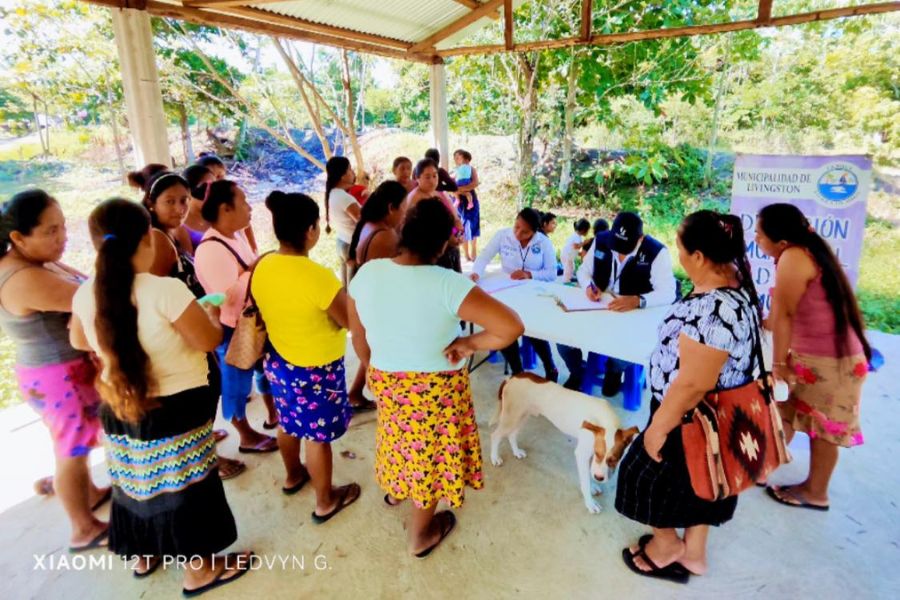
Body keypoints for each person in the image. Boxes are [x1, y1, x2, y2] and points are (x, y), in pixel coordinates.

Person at [70, 198, 252, 592]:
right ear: (146, 241)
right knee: (188, 487)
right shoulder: (166, 290)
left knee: (137, 482)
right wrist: (207, 316)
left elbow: (79, 339)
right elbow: (207, 340)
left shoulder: (86, 294)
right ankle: (199, 570)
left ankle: (144, 553)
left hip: (121, 404)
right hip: (175, 408)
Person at [348, 198, 523, 557]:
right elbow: (510, 327)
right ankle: (420, 536)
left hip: (386, 379)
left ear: (403, 231)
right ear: (443, 245)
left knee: (397, 437)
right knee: (428, 457)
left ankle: (398, 488)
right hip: (434, 390)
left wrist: (375, 368)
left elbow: (358, 334)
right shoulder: (448, 284)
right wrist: (469, 343)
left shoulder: (367, 273)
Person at [615, 210, 762, 583]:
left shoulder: (713, 309)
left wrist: (657, 429)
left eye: (681, 249)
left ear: (698, 256)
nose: (678, 256)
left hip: (688, 414)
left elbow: (694, 383)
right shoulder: (735, 283)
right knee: (703, 483)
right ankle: (694, 555)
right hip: (718, 414)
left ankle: (668, 545)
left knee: (639, 476)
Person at [0, 190, 108, 552]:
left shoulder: (36, 262)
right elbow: (90, 298)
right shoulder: (21, 277)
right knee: (71, 449)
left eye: (62, 227)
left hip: (58, 372)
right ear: (18, 237)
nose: (63, 237)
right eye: (50, 231)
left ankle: (90, 493)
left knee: (78, 441)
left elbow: (86, 285)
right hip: (58, 376)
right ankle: (83, 528)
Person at [252, 191, 362, 521]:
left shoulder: (263, 265)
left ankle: (293, 475)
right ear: (311, 230)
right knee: (317, 436)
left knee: (287, 422)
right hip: (316, 369)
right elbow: (348, 321)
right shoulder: (318, 276)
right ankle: (325, 500)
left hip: (279, 361)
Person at [755, 203, 870, 511]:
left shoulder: (793, 257)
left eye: (759, 234)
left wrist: (779, 364)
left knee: (824, 429)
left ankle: (816, 492)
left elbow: (786, 316)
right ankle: (763, 468)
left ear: (781, 241)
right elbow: (778, 316)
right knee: (786, 411)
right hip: (812, 356)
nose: (756, 240)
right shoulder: (800, 252)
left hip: (833, 362)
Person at [143, 171, 246, 481]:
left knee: (208, 386)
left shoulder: (177, 231)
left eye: (184, 200)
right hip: (179, 329)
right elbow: (158, 295)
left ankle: (205, 439)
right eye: (170, 202)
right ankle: (205, 458)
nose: (179, 208)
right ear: (151, 203)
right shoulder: (157, 240)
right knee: (201, 390)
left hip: (196, 319)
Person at [194, 180, 279, 453]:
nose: (249, 207)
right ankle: (246, 436)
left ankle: (272, 414)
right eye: (243, 202)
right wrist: (257, 267)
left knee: (261, 369)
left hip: (252, 321)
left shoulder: (235, 236)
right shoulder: (210, 249)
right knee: (236, 382)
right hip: (234, 326)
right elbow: (228, 297)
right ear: (225, 209)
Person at [559, 212, 677, 392]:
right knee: (563, 340)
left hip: (631, 315)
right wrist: (588, 286)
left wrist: (638, 300)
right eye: (616, 245)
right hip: (598, 308)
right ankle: (577, 372)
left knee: (627, 350)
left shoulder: (656, 252)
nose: (619, 251)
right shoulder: (601, 240)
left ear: (640, 238)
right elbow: (583, 271)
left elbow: (668, 292)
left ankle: (613, 371)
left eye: (625, 247)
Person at [470, 207, 559, 381]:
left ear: (535, 231)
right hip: (507, 291)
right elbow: (484, 256)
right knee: (503, 326)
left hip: (532, 294)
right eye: (516, 227)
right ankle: (517, 371)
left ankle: (550, 367)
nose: (518, 233)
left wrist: (529, 274)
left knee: (532, 328)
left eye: (525, 232)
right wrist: (476, 273)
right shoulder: (502, 236)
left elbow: (552, 273)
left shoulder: (543, 242)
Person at [345, 181, 409, 412]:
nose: (404, 214)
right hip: (380, 302)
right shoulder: (385, 236)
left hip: (367, 295)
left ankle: (355, 392)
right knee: (377, 352)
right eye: (403, 208)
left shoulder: (369, 224)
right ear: (391, 208)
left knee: (370, 350)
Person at [407, 158, 464, 272]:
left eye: (434, 176)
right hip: (431, 255)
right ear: (417, 178)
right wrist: (447, 238)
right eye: (427, 177)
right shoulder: (414, 199)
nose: (432, 180)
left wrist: (457, 233)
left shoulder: (440, 194)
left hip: (450, 248)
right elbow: (420, 230)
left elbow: (454, 218)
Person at [194, 155, 258, 253]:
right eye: (211, 179)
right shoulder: (208, 214)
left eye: (220, 176)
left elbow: (248, 229)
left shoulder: (234, 199)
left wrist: (254, 251)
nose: (216, 181)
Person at [325, 156, 361, 288]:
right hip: (351, 245)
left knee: (347, 285)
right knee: (354, 288)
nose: (353, 173)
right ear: (342, 175)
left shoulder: (333, 194)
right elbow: (362, 222)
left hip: (342, 241)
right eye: (350, 170)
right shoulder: (344, 197)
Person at [453, 149, 481, 262]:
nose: (456, 160)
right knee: (460, 226)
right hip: (458, 201)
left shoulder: (471, 169)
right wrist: (456, 192)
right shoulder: (454, 171)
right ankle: (465, 254)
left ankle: (473, 250)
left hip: (470, 200)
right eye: (455, 158)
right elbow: (449, 188)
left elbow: (475, 183)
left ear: (466, 159)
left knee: (473, 224)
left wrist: (460, 189)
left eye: (459, 157)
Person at [182, 164, 216, 251]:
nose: (210, 194)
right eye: (204, 189)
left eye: (214, 188)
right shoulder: (181, 224)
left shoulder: (218, 215)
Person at [561, 218, 591, 283]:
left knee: (572, 267)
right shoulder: (576, 236)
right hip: (567, 256)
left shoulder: (578, 236)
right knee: (568, 269)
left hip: (569, 256)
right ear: (583, 230)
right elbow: (576, 246)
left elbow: (574, 249)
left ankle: (570, 277)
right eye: (587, 230)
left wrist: (580, 253)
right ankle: (566, 281)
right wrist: (585, 243)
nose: (588, 232)